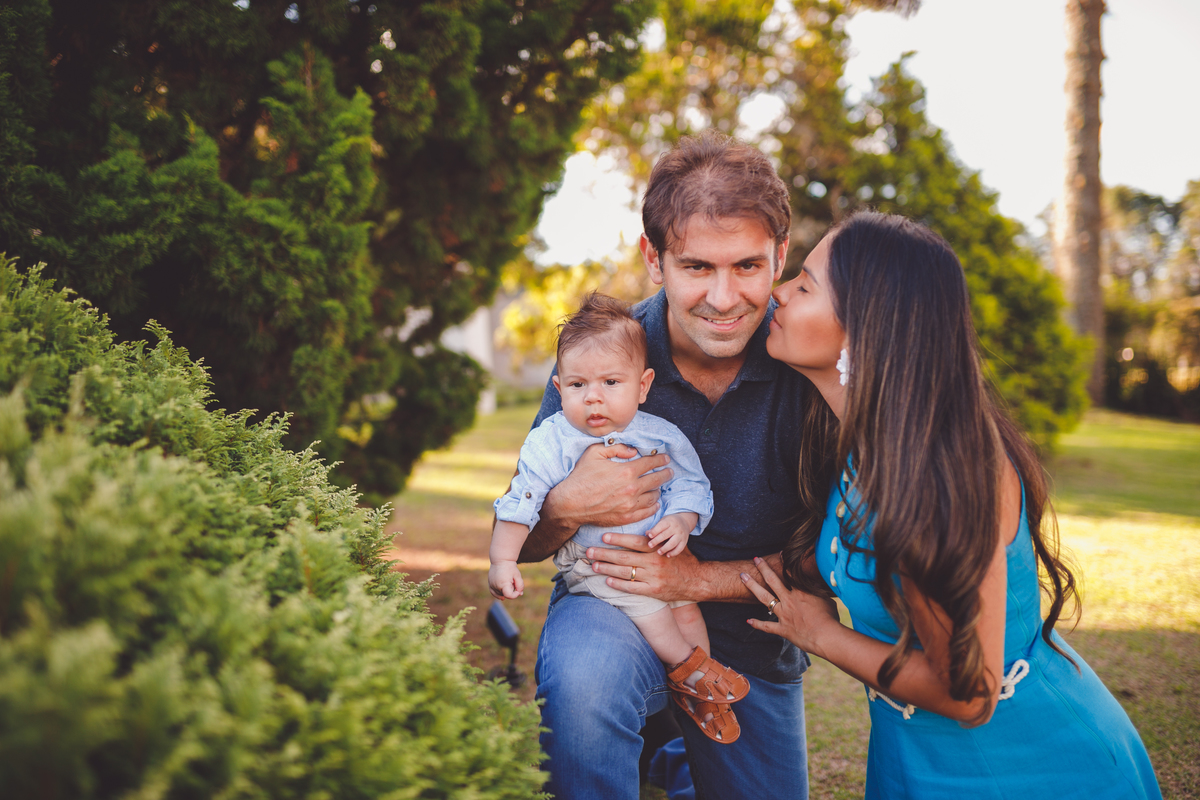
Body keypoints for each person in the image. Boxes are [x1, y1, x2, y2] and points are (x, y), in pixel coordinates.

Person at [742, 210, 1162, 799]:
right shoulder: (862, 446)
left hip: (1027, 769)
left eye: (805, 286)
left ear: (866, 329)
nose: (777, 292)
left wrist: (819, 635)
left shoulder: (936, 471)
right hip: (912, 758)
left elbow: (971, 693)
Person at [518, 131, 815, 799]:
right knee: (585, 684)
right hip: (614, 608)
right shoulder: (601, 357)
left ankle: (674, 756)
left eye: (748, 266)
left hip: (755, 635)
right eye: (697, 267)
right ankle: (647, 734)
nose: (724, 298)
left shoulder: (809, 360)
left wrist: (695, 579)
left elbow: (833, 560)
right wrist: (565, 506)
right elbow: (526, 539)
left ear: (780, 256)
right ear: (654, 259)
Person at [490, 293, 750, 743]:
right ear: (559, 389)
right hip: (600, 566)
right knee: (656, 616)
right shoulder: (553, 442)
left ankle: (699, 688)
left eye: (611, 382)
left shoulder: (660, 435)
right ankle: (690, 670)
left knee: (687, 612)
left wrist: (682, 521)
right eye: (578, 385)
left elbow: (691, 484)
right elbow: (521, 500)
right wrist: (503, 560)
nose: (593, 397)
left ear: (643, 386)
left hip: (662, 562)